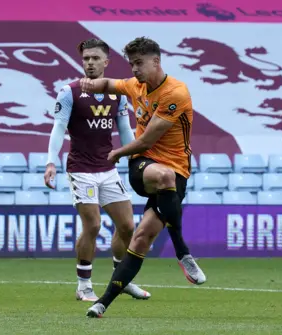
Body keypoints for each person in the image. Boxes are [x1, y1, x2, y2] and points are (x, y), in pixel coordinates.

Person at [81, 37, 207, 318]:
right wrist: (89, 83)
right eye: (131, 64)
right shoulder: (134, 86)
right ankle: (182, 252)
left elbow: (147, 138)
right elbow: (109, 83)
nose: (135, 69)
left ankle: (102, 303)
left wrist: (117, 153)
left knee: (140, 239)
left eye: (139, 63)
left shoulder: (175, 92)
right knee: (163, 176)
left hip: (177, 170)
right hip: (145, 167)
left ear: (156, 61)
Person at [44, 39, 150, 302]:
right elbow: (58, 127)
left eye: (94, 58)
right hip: (81, 169)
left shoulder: (118, 92)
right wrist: (50, 162)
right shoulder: (70, 92)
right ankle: (83, 285)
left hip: (108, 168)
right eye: (85, 59)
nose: (89, 63)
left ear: (106, 62)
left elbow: (125, 129)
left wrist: (134, 158)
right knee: (92, 225)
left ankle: (120, 280)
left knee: (127, 226)